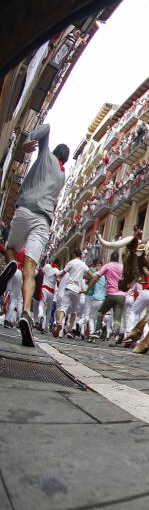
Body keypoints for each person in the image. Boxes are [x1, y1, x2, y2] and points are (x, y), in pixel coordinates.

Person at [0, 123, 69, 346]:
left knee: (11, 248)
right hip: (44, 220)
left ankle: (11, 265)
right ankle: (27, 312)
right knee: (30, 270)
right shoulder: (62, 175)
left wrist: (32, 138)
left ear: (53, 151)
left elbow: (47, 127)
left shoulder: (46, 156)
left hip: (26, 210)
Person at [87, 250, 126, 346]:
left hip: (111, 295)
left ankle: (97, 331)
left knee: (101, 312)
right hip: (121, 296)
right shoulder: (122, 267)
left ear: (110, 258)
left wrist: (87, 289)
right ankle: (114, 334)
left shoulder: (107, 266)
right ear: (118, 259)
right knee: (117, 318)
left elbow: (96, 277)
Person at [54, 249, 88, 338]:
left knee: (63, 307)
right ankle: (69, 330)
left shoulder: (71, 262)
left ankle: (60, 323)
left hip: (69, 288)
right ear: (81, 256)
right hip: (77, 290)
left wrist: (57, 274)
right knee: (74, 311)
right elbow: (92, 275)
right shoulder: (83, 265)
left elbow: (62, 273)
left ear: (74, 255)